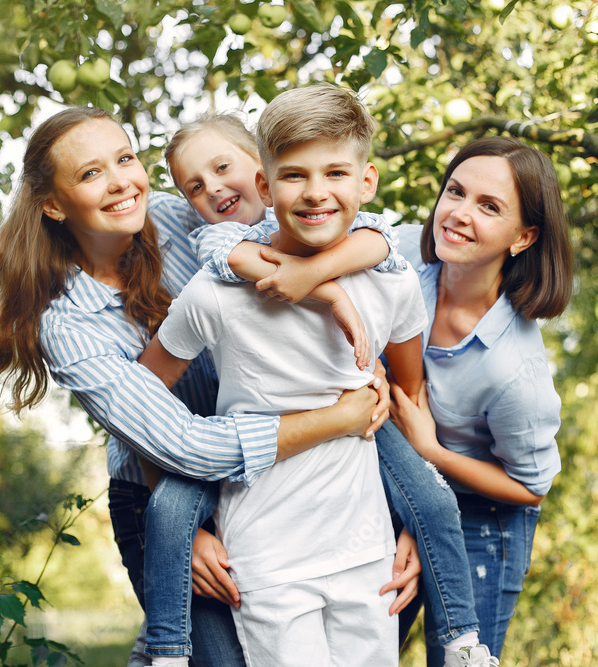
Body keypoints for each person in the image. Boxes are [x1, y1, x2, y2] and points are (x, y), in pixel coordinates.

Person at [0, 106, 392, 667]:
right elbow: (182, 443)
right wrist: (341, 416)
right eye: (91, 173)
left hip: (284, 472)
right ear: (52, 204)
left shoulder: (177, 216)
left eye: (125, 159)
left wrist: (361, 353)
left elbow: (294, 260)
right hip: (163, 489)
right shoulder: (66, 325)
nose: (122, 181)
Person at [139, 83, 471, 667]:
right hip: (268, 556)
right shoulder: (215, 290)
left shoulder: (392, 281)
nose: (316, 193)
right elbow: (143, 395)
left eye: (336, 174)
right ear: (266, 188)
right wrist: (180, 504)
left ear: (365, 183)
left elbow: (411, 389)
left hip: (364, 550)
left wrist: (418, 514)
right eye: (294, 176)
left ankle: (468, 646)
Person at [386, 135, 574, 663]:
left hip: (485, 518)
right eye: (456, 192)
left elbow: (530, 488)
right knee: (363, 648)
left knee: (459, 661)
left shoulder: (514, 369)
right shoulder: (401, 260)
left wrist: (434, 451)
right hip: (407, 492)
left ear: (523, 236)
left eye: (488, 207)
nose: (459, 214)